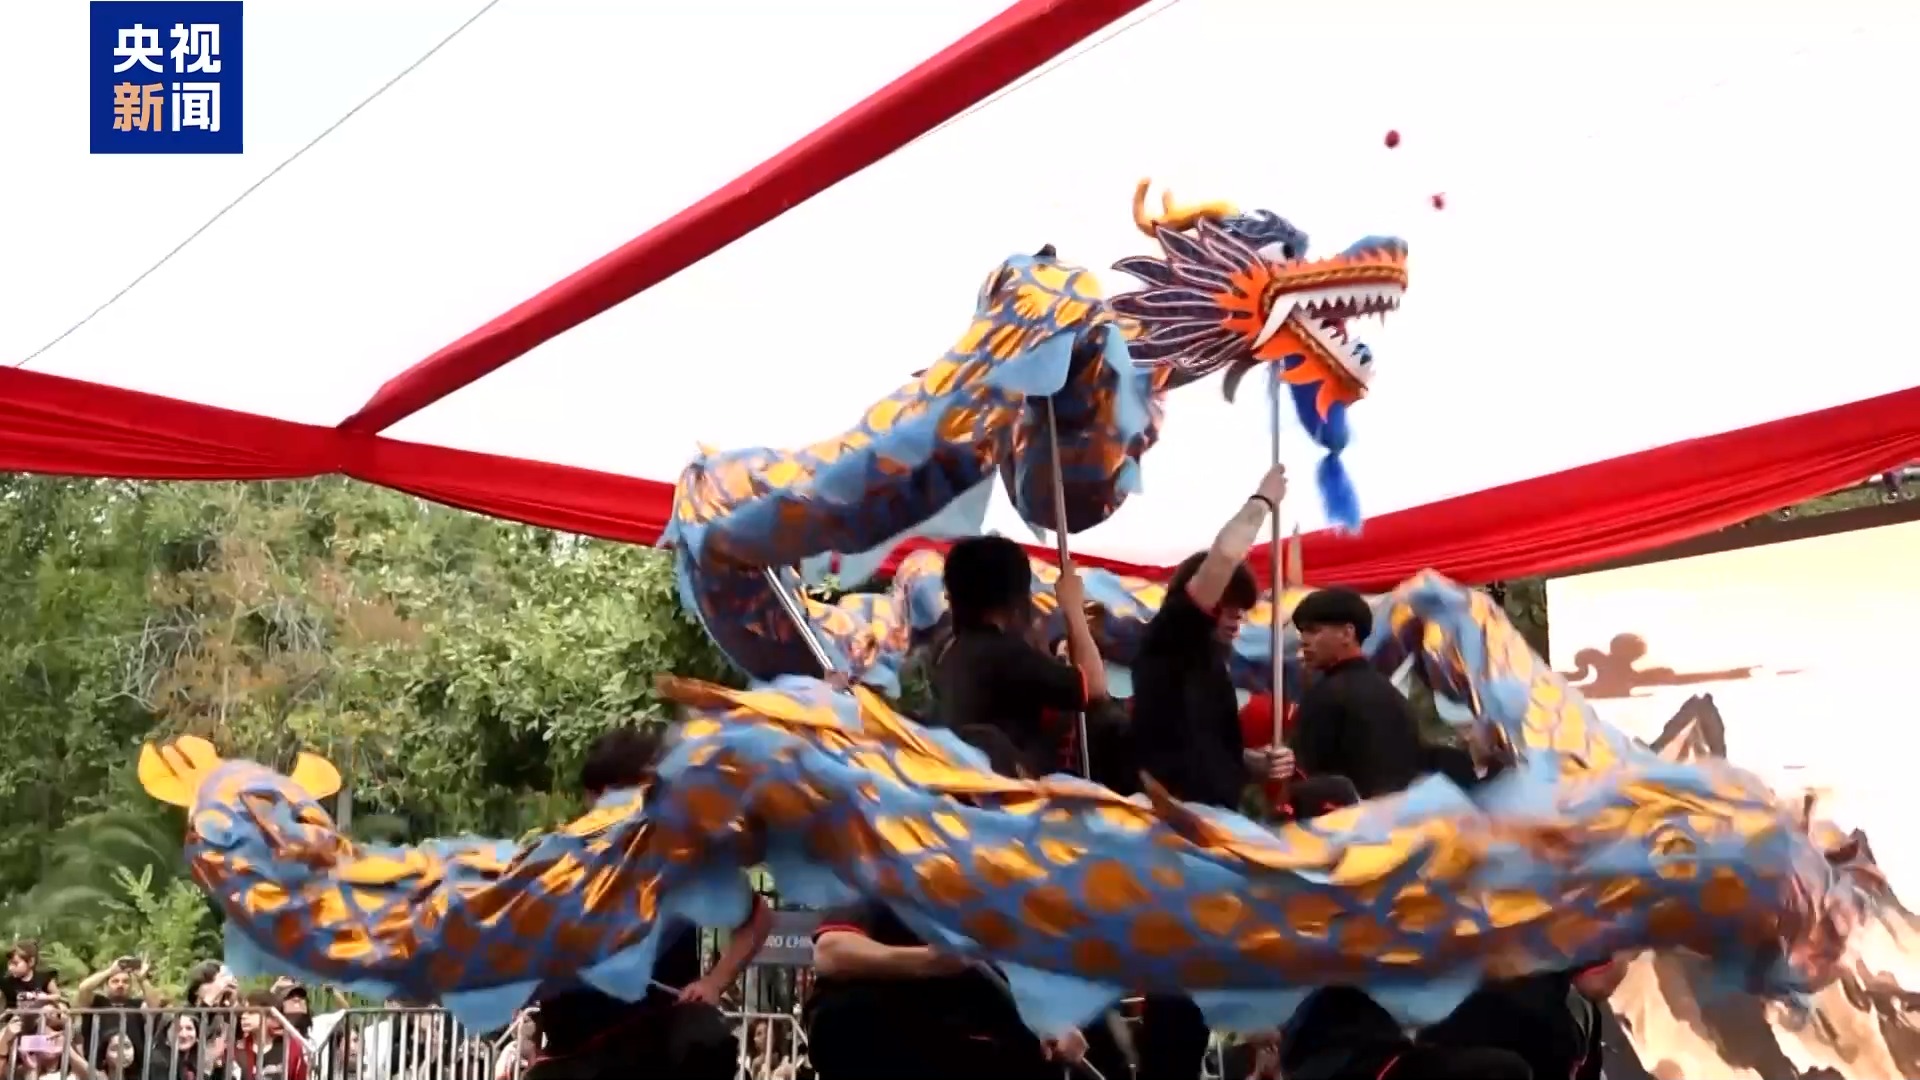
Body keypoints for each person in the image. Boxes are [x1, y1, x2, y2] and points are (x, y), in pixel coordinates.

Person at [804, 726, 1097, 1080]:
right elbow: (831, 953)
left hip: (962, 1036)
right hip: (889, 1033)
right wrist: (929, 962)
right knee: (852, 1010)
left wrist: (1057, 1026)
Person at [1129, 465, 1293, 1080]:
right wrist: (1261, 502)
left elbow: (1211, 750)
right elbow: (1222, 558)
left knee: (1194, 994)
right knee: (1178, 994)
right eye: (1225, 606)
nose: (1233, 617)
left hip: (1209, 837)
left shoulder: (1212, 672)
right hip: (1176, 841)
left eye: (1241, 611)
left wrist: (1256, 762)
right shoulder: (1170, 640)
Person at [524, 726, 773, 1080]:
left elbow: (758, 919)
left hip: (662, 1045)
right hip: (577, 1050)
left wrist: (714, 982)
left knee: (707, 1038)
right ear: (593, 798)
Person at [933, 535, 1108, 776]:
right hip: (1006, 791)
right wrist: (1073, 607)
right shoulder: (1005, 654)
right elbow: (1094, 686)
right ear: (1016, 599)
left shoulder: (948, 652)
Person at [1288, 586, 1425, 799]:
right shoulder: (1392, 694)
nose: (1304, 640)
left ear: (1347, 633)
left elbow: (1309, 777)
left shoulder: (1326, 697)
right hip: (1398, 813)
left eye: (1313, 630)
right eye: (1302, 632)